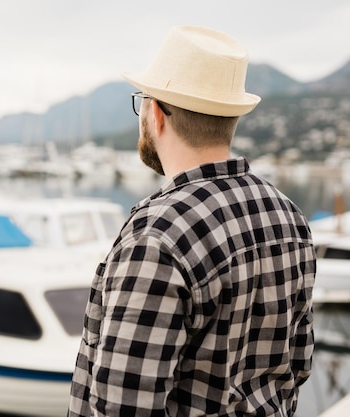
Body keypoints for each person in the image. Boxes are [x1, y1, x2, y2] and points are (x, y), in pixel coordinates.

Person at [68, 25, 316, 417]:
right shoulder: (289, 217)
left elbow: (123, 406)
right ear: (230, 119)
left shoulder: (157, 236)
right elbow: (296, 367)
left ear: (156, 113)